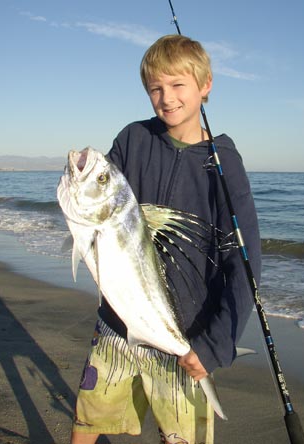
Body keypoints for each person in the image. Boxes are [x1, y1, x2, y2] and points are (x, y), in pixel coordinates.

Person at [71, 34, 261, 444]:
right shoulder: (133, 139)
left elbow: (246, 264)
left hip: (188, 337)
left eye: (178, 85)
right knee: (87, 424)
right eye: (155, 88)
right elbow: (106, 203)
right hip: (116, 327)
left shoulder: (225, 164)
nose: (167, 97)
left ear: (205, 85)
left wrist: (214, 347)